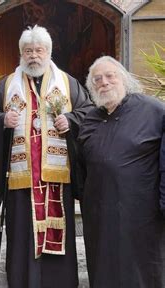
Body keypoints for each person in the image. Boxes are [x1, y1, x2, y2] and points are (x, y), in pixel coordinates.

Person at [0, 25, 93, 287]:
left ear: (49, 52)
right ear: (21, 54)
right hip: (21, 179)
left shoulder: (67, 83)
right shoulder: (7, 86)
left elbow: (89, 112)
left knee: (59, 231)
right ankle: (23, 281)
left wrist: (70, 119)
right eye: (28, 51)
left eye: (39, 50)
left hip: (56, 177)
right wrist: (2, 120)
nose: (34, 55)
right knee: (22, 234)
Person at [78, 56, 165, 287]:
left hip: (141, 217)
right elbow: (81, 167)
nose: (104, 82)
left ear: (123, 78)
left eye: (110, 76)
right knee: (104, 272)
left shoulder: (154, 111)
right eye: (97, 79)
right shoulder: (90, 119)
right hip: (99, 218)